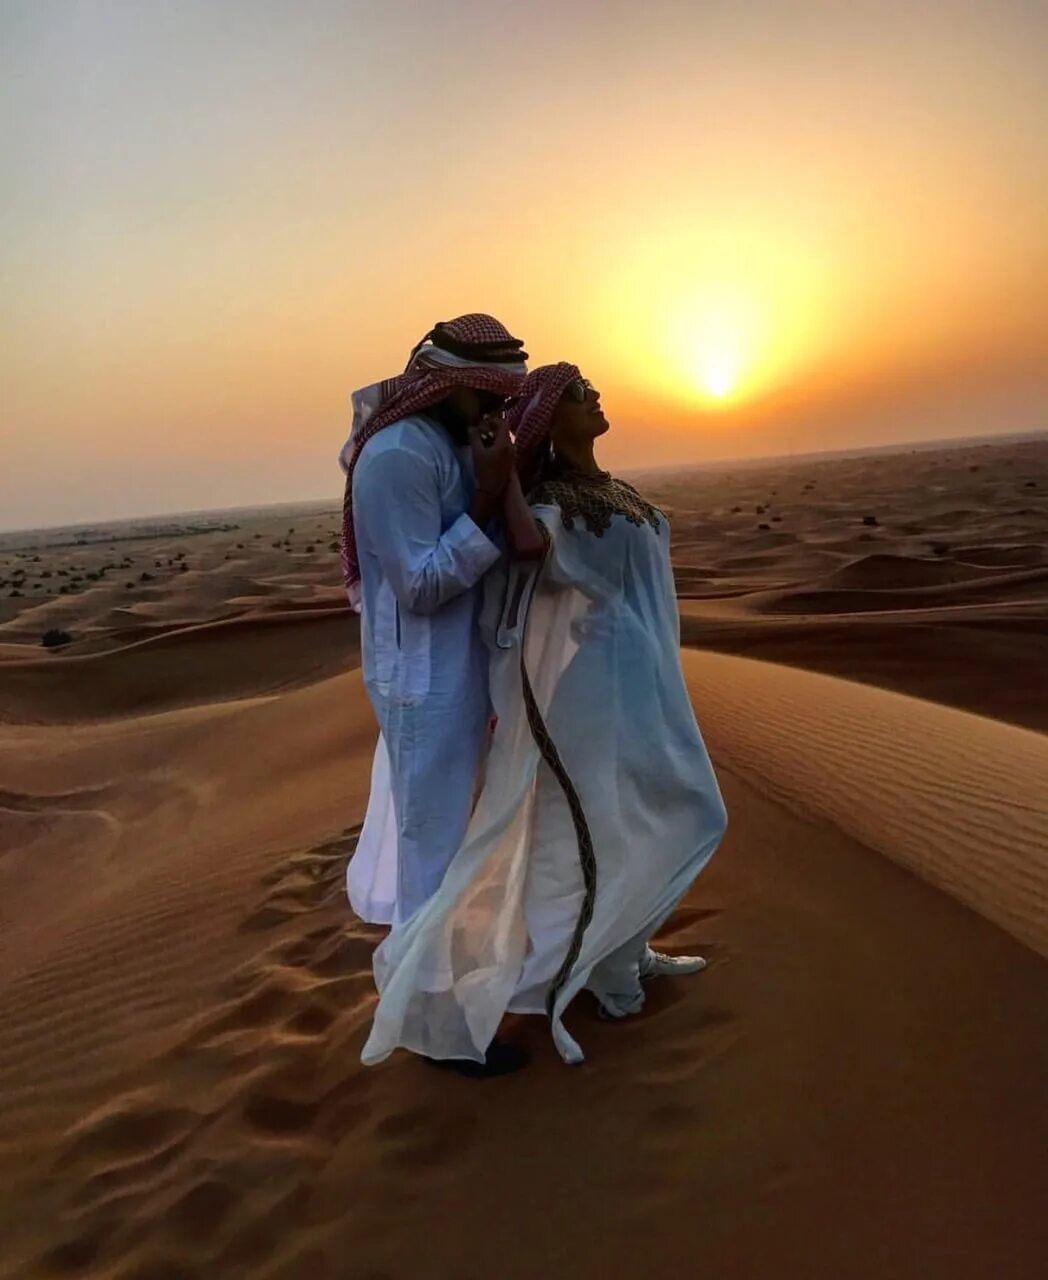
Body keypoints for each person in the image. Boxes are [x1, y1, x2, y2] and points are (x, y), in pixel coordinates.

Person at [361, 362, 728, 1072]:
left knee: (672, 808)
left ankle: (626, 945)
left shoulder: (617, 491)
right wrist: (503, 486)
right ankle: (581, 972)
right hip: (591, 686)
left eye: (592, 389)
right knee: (587, 826)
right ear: (547, 421)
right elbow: (531, 552)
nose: (596, 399)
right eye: (578, 395)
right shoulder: (552, 500)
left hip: (649, 677)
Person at [339, 314, 541, 930]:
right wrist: (485, 495)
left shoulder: (457, 445)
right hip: (422, 685)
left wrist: (498, 482)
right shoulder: (397, 455)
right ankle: (427, 1018)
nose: (498, 409)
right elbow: (421, 587)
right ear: (447, 384)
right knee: (431, 857)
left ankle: (441, 1006)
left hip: (468, 675)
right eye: (488, 395)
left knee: (456, 851)